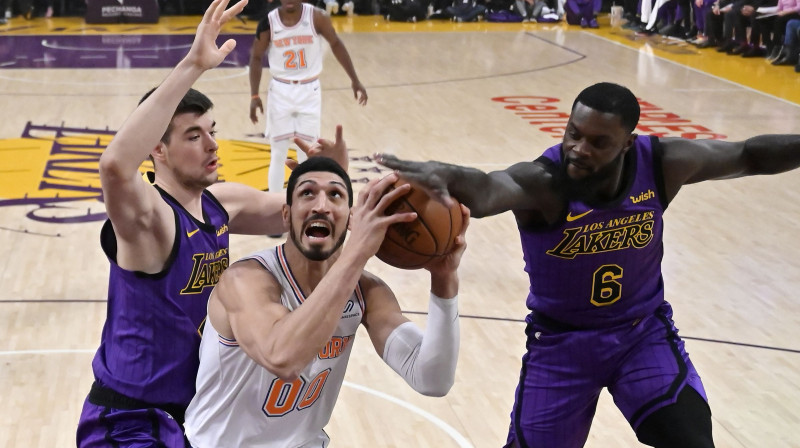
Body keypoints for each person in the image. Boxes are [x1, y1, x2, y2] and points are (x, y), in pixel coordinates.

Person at [376, 82, 800, 448]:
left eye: (599, 143)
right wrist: (445, 174)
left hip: (641, 334)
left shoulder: (662, 163)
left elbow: (748, 155)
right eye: (573, 134)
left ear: (627, 143)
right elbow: (488, 191)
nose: (579, 149)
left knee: (690, 438)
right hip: (563, 344)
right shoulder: (545, 181)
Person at [75, 1, 349, 447]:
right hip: (131, 420)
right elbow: (114, 168)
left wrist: (333, 174)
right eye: (193, 135)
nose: (212, 144)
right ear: (158, 150)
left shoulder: (223, 204)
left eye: (212, 130)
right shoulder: (149, 220)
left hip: (198, 410)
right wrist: (193, 64)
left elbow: (307, 216)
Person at [183, 159, 469, 447]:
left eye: (335, 195)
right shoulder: (247, 280)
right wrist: (356, 253)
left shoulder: (366, 291)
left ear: (350, 218)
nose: (321, 205)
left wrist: (444, 280)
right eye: (307, 193)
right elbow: (281, 357)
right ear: (286, 214)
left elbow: (432, 380)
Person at [249, 0, 367, 203]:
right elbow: (256, 57)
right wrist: (254, 95)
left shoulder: (316, 17)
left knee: (308, 154)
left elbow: (336, 43)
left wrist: (354, 80)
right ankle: (274, 210)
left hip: (309, 90)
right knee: (278, 154)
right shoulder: (268, 22)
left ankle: (304, 207)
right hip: (280, 91)